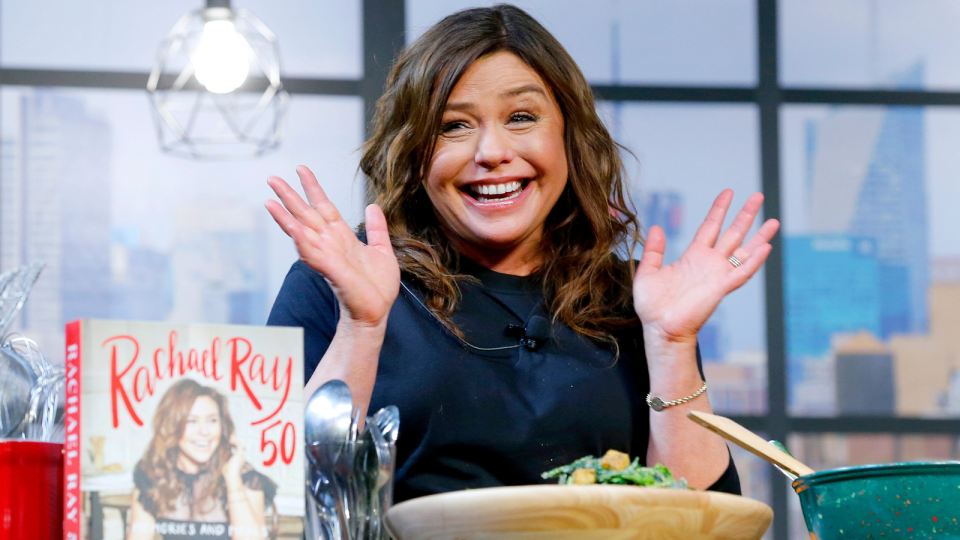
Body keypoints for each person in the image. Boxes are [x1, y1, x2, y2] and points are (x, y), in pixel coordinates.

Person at [266, 4, 779, 502]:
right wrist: (361, 324)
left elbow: (694, 520)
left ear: (569, 138)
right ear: (414, 149)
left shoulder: (637, 302)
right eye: (454, 125)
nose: (491, 152)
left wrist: (671, 342)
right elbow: (275, 494)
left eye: (521, 117)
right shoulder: (336, 284)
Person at [129, 379, 276, 540]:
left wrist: (232, 480)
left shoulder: (246, 480)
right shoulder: (153, 475)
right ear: (171, 426)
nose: (204, 431)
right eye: (191, 421)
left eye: (212, 420)